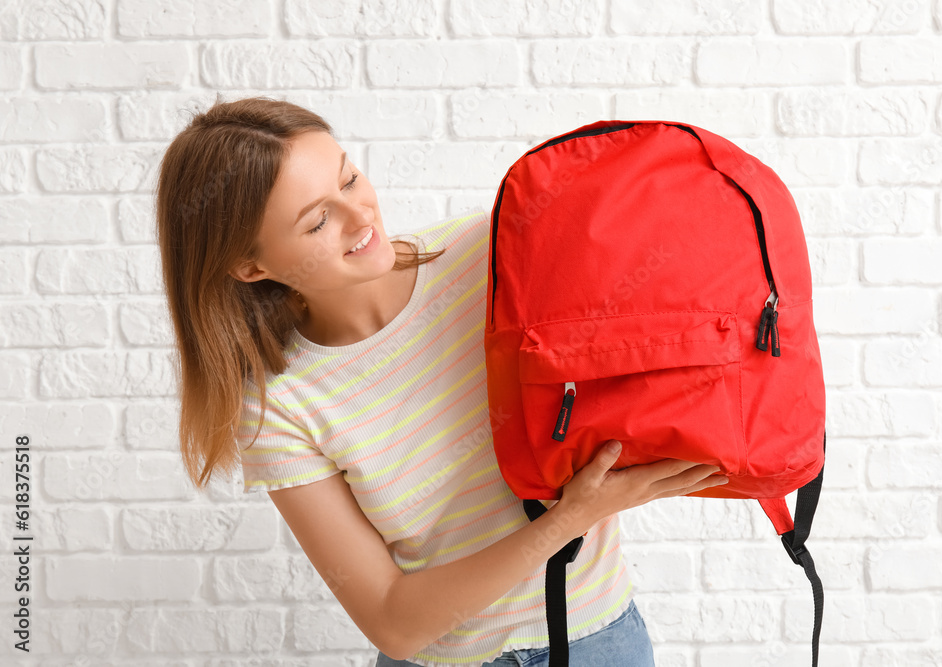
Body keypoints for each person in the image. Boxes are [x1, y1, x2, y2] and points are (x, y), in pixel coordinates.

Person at [154, 94, 729, 667]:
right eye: (318, 220)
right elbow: (392, 622)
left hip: (600, 641)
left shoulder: (486, 253)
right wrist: (571, 519)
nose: (361, 217)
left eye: (349, 179)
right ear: (252, 267)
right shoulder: (278, 405)